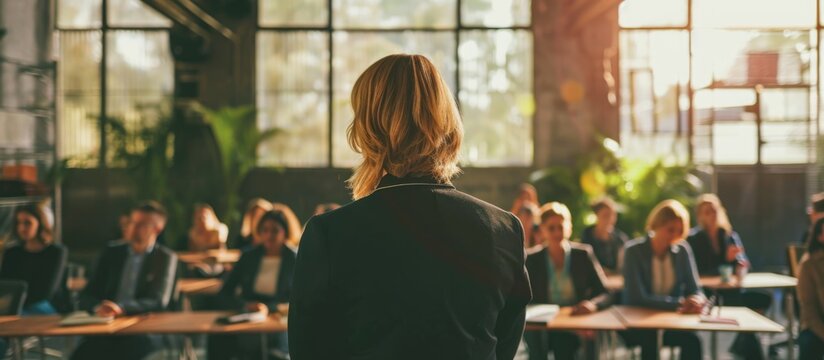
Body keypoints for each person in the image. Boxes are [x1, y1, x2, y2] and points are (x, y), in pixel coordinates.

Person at [289, 54, 531, 359]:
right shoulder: (504, 229)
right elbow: (502, 347)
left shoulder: (328, 234)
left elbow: (308, 352)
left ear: (367, 127)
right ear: (447, 120)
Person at [71, 201, 178, 360]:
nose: (134, 228)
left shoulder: (165, 258)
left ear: (158, 229)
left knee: (128, 352)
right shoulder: (111, 253)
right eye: (132, 222)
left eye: (142, 224)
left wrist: (121, 308)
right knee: (82, 354)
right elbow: (87, 294)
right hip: (106, 325)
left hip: (143, 327)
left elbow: (158, 301)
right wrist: (98, 307)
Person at [686, 194, 772, 359]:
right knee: (743, 311)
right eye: (707, 211)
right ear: (700, 215)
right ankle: (748, 348)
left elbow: (743, 262)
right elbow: (696, 272)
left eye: (715, 210)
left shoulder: (729, 235)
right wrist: (725, 262)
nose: (712, 214)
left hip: (731, 290)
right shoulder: (693, 239)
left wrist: (739, 266)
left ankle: (742, 342)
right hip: (707, 293)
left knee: (763, 299)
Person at [524, 202, 610, 359]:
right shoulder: (531, 259)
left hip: (573, 320)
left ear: (568, 227)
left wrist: (593, 305)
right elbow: (523, 296)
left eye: (561, 227)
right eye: (551, 228)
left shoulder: (583, 254)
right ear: (542, 229)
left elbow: (604, 292)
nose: (557, 232)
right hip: (543, 323)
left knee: (567, 346)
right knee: (535, 340)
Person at [621, 199, 705, 360]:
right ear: (657, 225)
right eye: (670, 230)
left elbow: (696, 288)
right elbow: (636, 297)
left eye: (679, 232)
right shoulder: (633, 251)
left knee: (693, 341)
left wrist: (697, 300)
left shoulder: (682, 251)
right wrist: (680, 303)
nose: (674, 236)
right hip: (638, 323)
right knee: (651, 341)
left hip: (669, 322)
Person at [209, 209, 298, 359]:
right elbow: (224, 293)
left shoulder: (295, 259)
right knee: (217, 340)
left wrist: (270, 308)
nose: (269, 235)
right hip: (247, 316)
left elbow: (300, 299)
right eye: (265, 230)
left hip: (278, 321)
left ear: (285, 233)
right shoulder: (248, 256)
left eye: (275, 231)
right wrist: (244, 305)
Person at [0, 203, 68, 315]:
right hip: (15, 306)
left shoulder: (55, 252)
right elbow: (5, 286)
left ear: (40, 223)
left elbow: (46, 292)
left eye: (27, 223)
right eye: (18, 223)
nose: (21, 228)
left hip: (46, 305)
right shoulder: (12, 253)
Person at [580, 197, 629, 274]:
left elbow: (623, 267)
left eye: (613, 215)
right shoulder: (587, 236)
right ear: (597, 215)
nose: (610, 219)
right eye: (605, 215)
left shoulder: (620, 239)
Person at [798, 217, 824, 359]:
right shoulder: (809, 265)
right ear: (820, 237)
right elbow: (809, 309)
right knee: (809, 343)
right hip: (818, 325)